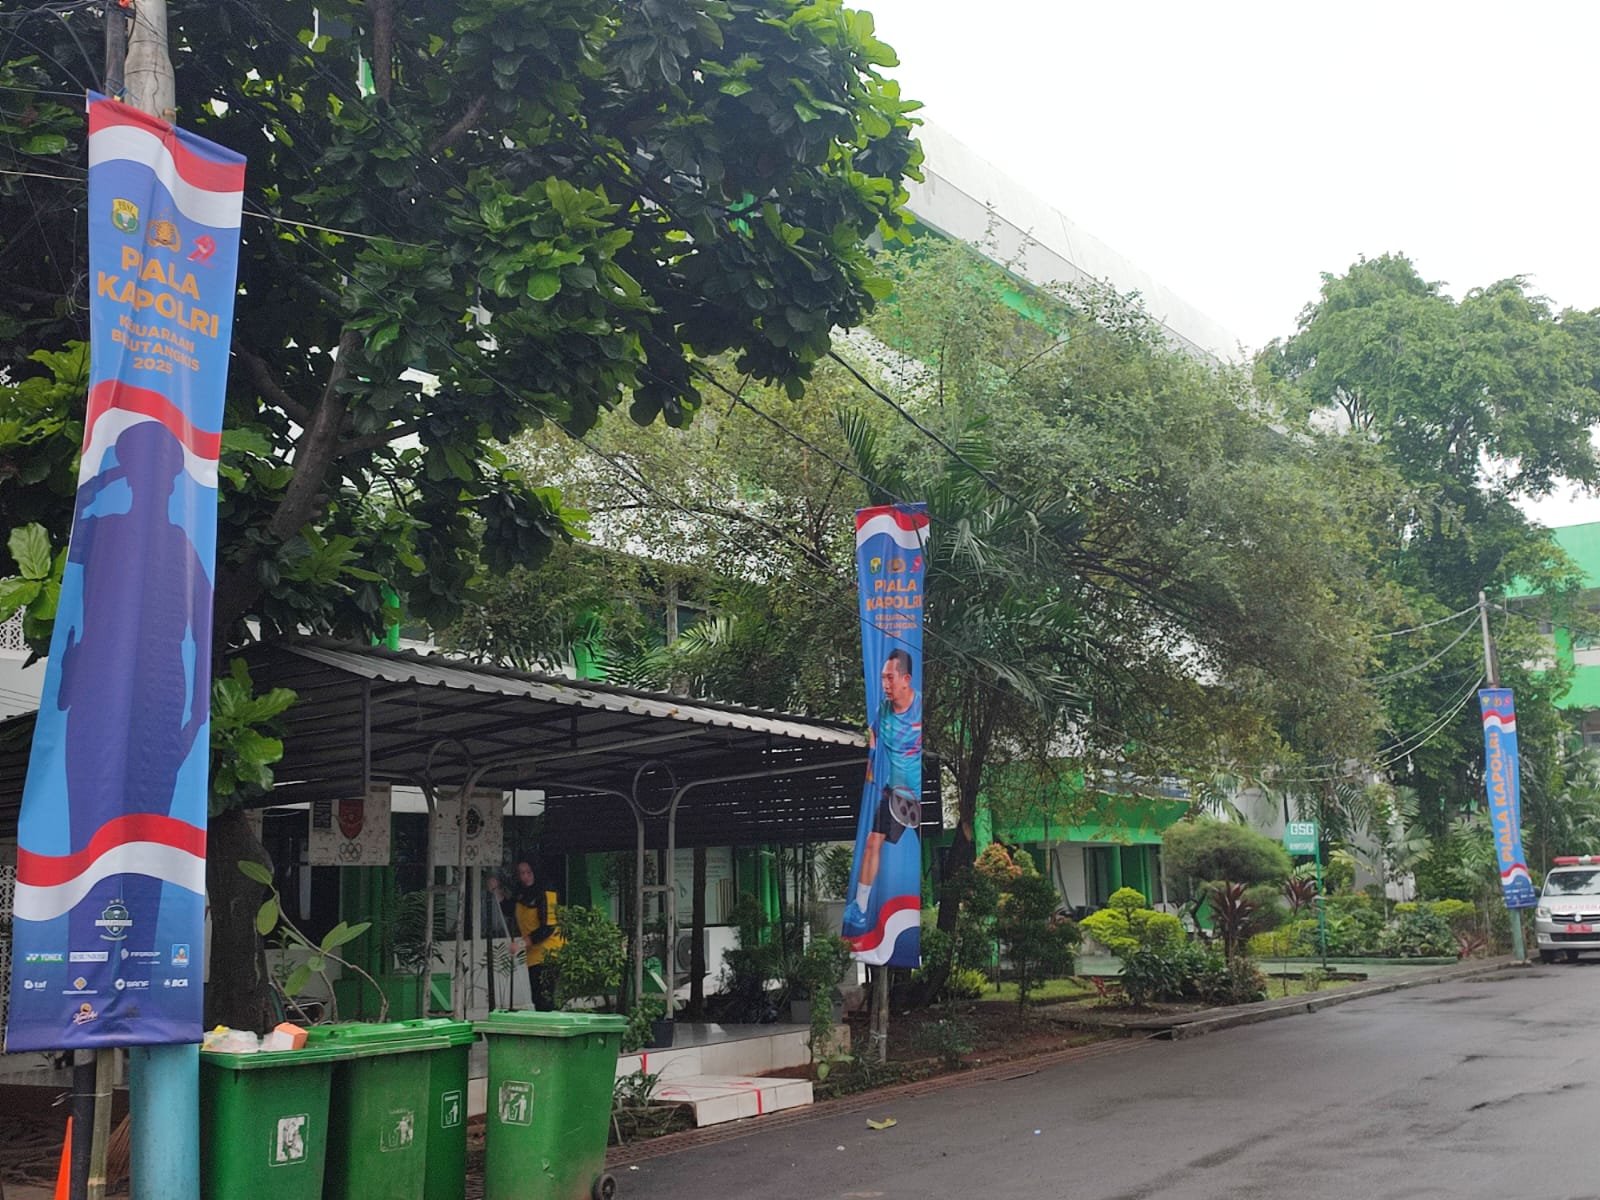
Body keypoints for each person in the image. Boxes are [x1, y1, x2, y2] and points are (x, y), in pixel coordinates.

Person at [843, 649, 922, 936]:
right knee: (872, 842)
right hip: (892, 793)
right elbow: (873, 738)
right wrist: (870, 770)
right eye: (882, 679)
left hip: (918, 797)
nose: (885, 684)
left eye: (890, 678)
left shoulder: (921, 709)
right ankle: (861, 908)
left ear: (906, 679)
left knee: (911, 852)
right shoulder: (883, 711)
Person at [488, 860, 565, 1010]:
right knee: (537, 998)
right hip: (533, 954)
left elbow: (548, 927)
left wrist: (521, 944)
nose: (525, 877)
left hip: (550, 953)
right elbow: (510, 909)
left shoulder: (547, 892)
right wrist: (497, 891)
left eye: (528, 872)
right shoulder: (521, 893)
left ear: (535, 872)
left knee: (545, 998)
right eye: (521, 873)